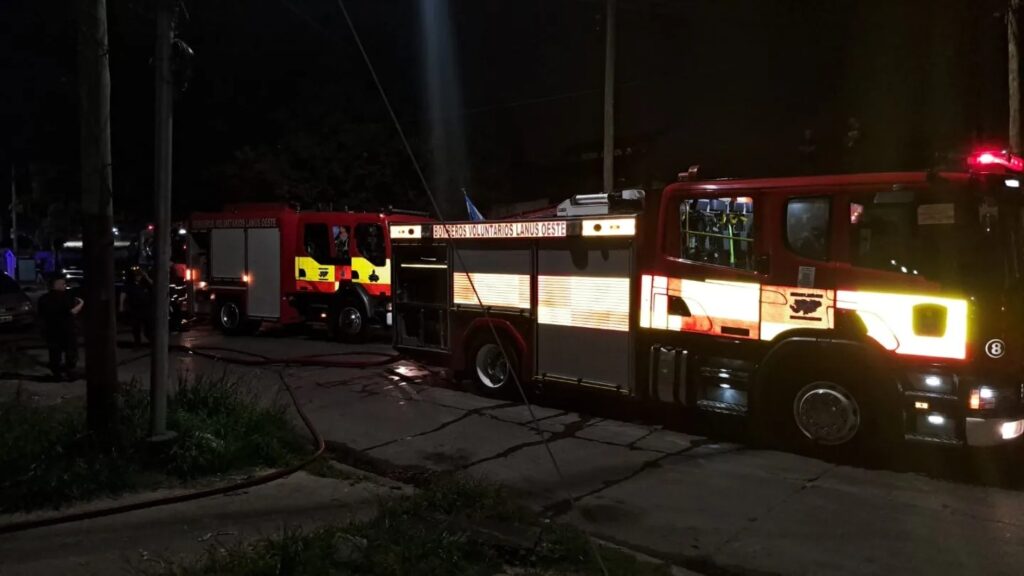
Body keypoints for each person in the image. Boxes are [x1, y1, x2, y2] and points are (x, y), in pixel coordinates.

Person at [37, 275, 83, 379]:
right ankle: (70, 373)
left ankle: (57, 374)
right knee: (70, 351)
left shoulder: (43, 298)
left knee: (54, 352)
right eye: (63, 284)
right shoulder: (65, 297)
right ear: (56, 285)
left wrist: (42, 329)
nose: (65, 286)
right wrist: (81, 304)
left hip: (51, 329)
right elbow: (72, 312)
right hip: (67, 329)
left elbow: (41, 315)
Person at [125, 267, 154, 347]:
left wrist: (146, 277)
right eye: (136, 275)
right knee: (136, 328)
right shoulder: (130, 284)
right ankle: (137, 344)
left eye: (139, 275)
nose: (138, 277)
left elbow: (153, 285)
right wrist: (122, 307)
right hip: (135, 309)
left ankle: (153, 343)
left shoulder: (145, 283)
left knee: (148, 329)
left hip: (146, 309)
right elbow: (124, 294)